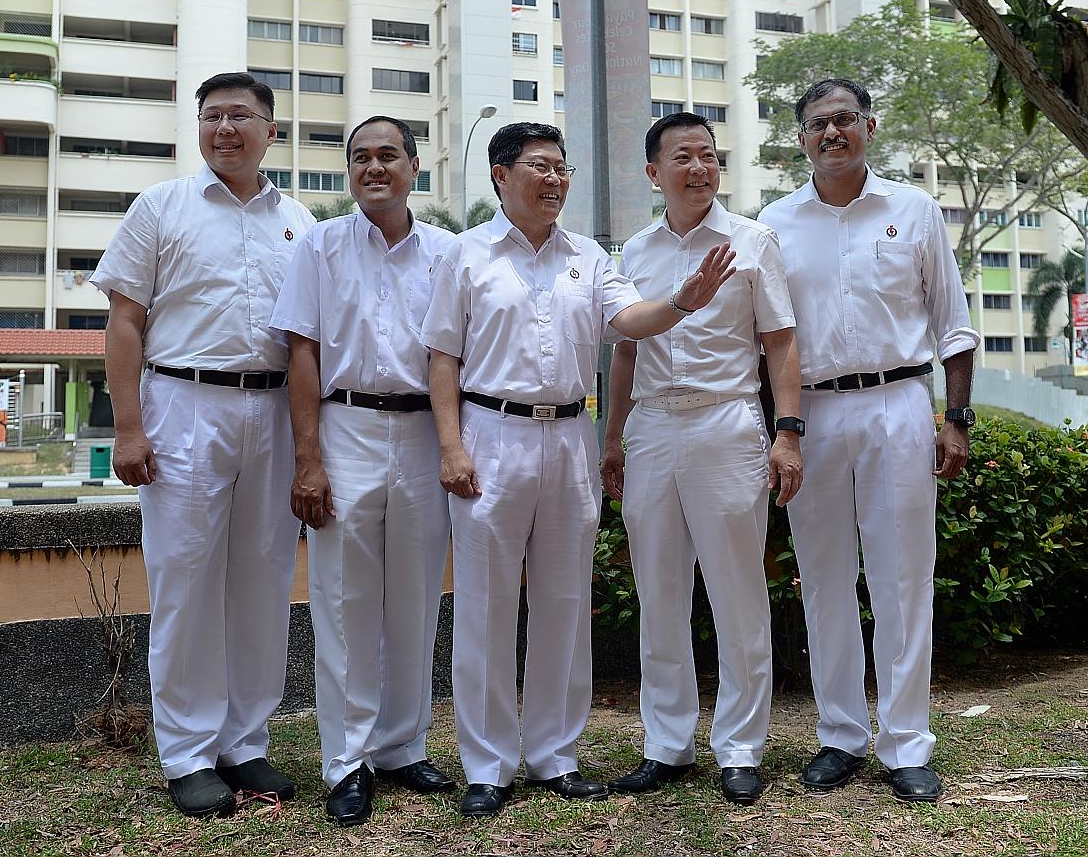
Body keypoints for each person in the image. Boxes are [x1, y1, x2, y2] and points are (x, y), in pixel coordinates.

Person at [421, 122, 737, 817]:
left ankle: (554, 756)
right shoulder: (466, 255)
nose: (557, 179)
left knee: (564, 605)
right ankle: (487, 766)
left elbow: (629, 321)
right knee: (486, 607)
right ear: (502, 175)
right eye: (542, 166)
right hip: (489, 435)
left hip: (568, 439)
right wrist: (451, 446)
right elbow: (441, 358)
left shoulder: (587, 257)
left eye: (562, 167)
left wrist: (683, 300)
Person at [92, 72, 315, 818]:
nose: (226, 128)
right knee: (185, 581)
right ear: (198, 129)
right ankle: (187, 754)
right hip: (183, 406)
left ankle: (244, 744)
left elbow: (312, 339)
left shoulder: (302, 222)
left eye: (241, 117)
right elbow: (124, 322)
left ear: (270, 132)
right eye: (212, 116)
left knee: (262, 579)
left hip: (274, 410)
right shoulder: (161, 207)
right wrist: (128, 426)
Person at [761, 78, 979, 803]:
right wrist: (780, 430)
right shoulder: (776, 223)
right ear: (801, 139)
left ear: (869, 127)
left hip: (898, 404)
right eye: (818, 123)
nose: (832, 133)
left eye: (845, 120)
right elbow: (768, 338)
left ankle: (908, 742)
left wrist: (956, 418)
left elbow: (953, 323)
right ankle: (840, 736)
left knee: (902, 577)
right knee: (823, 579)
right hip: (812, 415)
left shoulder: (913, 211)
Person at [599, 112, 803, 806]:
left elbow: (779, 341)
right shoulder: (636, 250)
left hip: (727, 422)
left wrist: (787, 432)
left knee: (737, 592)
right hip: (654, 428)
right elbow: (625, 350)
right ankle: (667, 745)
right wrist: (612, 436)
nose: (700, 168)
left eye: (709, 156)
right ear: (654, 173)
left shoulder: (754, 241)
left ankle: (741, 747)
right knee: (659, 595)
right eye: (683, 157)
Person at [269, 116, 457, 827]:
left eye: (387, 156)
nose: (372, 167)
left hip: (421, 433)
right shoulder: (320, 244)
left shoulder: (448, 251)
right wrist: (308, 460)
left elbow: (455, 356)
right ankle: (346, 761)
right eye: (359, 158)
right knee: (343, 602)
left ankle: (401, 747)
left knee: (413, 598)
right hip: (344, 428)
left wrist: (450, 445)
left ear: (415, 166)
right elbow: (303, 354)